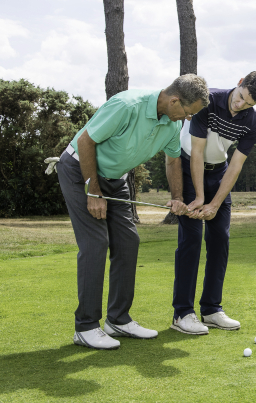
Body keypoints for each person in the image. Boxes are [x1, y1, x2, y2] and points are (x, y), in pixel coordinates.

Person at [56, 74, 209, 350]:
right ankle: (86, 327)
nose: (188, 118)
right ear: (174, 100)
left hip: (115, 179)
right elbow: (85, 142)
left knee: (128, 241)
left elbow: (173, 160)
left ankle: (118, 319)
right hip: (80, 171)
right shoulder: (127, 105)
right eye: (188, 112)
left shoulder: (171, 124)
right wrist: (93, 193)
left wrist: (177, 198)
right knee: (96, 243)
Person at [170, 71, 256, 334]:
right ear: (238, 83)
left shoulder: (253, 122)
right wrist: (201, 198)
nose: (240, 105)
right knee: (191, 240)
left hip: (219, 173)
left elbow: (236, 165)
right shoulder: (209, 101)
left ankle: (212, 310)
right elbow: (197, 153)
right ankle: (182, 313)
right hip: (190, 169)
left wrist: (215, 203)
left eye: (248, 104)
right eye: (240, 97)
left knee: (220, 242)